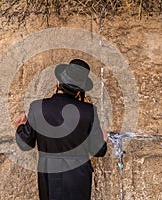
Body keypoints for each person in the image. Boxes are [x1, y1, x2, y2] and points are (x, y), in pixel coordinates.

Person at [13, 59, 107, 200]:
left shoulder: (37, 107)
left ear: (58, 83)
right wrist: (103, 139)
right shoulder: (89, 111)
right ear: (79, 92)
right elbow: (98, 151)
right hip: (78, 176)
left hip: (49, 174)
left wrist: (19, 127)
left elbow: (25, 144)